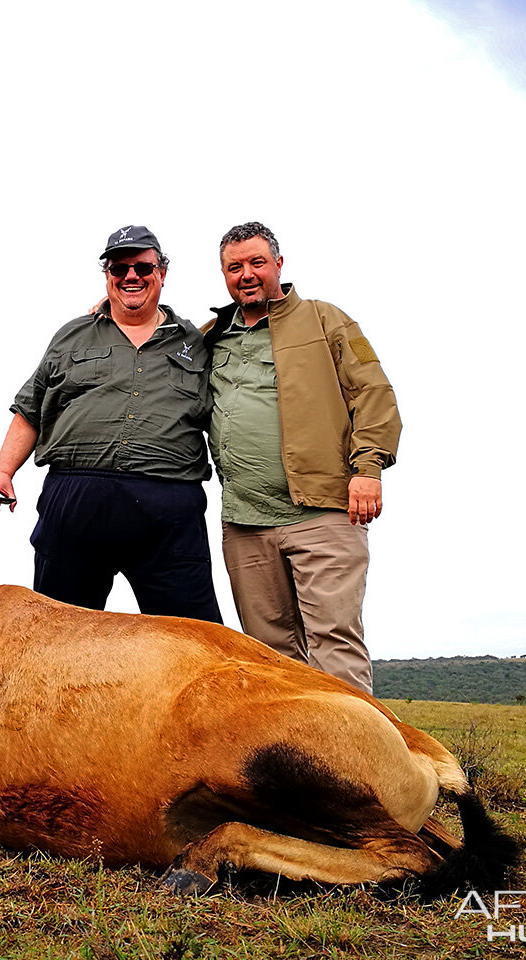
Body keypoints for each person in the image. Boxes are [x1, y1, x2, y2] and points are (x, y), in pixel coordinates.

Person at [0, 225, 222, 623]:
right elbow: (31, 408)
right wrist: (2, 472)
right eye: (119, 268)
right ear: (107, 275)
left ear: (162, 272)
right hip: (76, 502)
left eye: (143, 268)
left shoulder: (196, 342)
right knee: (58, 635)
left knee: (197, 639)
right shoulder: (72, 335)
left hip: (170, 511)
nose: (131, 276)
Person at [201, 222, 401, 693]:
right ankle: (294, 766)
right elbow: (150, 332)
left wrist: (368, 469)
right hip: (245, 523)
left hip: (323, 513)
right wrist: (106, 311)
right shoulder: (210, 336)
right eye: (235, 267)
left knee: (334, 645)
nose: (246, 274)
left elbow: (373, 393)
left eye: (256, 262)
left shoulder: (325, 320)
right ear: (224, 274)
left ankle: (357, 763)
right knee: (270, 657)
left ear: (278, 264)